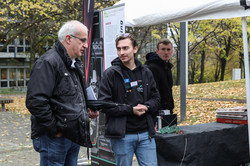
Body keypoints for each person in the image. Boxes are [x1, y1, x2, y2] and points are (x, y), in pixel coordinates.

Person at [26, 20, 99, 166]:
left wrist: (86, 109)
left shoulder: (74, 63)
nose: (86, 45)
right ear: (68, 38)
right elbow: (36, 101)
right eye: (83, 40)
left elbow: (70, 96)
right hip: (54, 138)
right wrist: (55, 129)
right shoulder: (48, 62)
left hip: (71, 135)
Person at [98, 33, 160, 166]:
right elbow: (104, 105)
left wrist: (147, 107)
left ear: (135, 48)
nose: (122, 52)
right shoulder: (110, 74)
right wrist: (131, 110)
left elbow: (156, 98)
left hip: (145, 134)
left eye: (125, 48)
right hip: (122, 136)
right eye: (119, 49)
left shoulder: (146, 72)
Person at [145, 38, 175, 114]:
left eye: (168, 50)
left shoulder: (167, 66)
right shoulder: (152, 68)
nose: (166, 52)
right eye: (163, 49)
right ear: (157, 51)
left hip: (167, 109)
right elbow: (152, 92)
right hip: (158, 111)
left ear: (171, 52)